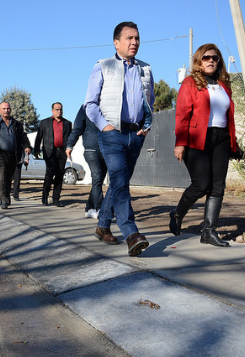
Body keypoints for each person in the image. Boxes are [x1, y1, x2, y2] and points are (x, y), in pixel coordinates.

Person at [84, 21, 154, 257]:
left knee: (118, 183)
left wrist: (146, 125)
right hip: (111, 134)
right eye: (129, 38)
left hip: (135, 135)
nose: (134, 42)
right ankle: (131, 233)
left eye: (137, 38)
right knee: (121, 183)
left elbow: (149, 102)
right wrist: (105, 126)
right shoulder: (103, 66)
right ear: (116, 42)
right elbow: (90, 104)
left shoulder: (145, 69)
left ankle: (103, 225)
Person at [170, 43, 242, 247]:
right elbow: (182, 115)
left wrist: (232, 143)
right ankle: (177, 214)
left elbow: (229, 118)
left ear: (219, 62)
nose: (211, 60)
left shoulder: (224, 86)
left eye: (215, 57)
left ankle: (208, 232)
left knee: (218, 186)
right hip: (196, 138)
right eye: (206, 57)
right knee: (202, 184)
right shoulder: (190, 83)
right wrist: (180, 143)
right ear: (199, 62)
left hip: (221, 139)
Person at [0, 102, 31, 209]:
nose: (6, 110)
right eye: (4, 108)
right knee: (1, 177)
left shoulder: (16, 124)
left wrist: (27, 146)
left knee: (8, 178)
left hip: (13, 155)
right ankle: (5, 200)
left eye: (8, 108)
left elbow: (24, 137)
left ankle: (1, 197)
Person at [66, 105, 107, 219]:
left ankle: (89, 208)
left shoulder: (109, 104)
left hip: (107, 149)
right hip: (91, 149)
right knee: (97, 177)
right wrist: (70, 145)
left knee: (98, 180)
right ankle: (100, 209)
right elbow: (77, 128)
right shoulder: (86, 107)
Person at [34, 102, 72, 207]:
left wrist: (70, 148)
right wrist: (36, 150)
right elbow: (39, 137)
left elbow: (71, 138)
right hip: (50, 152)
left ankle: (56, 199)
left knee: (60, 175)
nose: (59, 111)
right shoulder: (44, 123)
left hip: (62, 152)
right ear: (52, 111)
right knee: (49, 174)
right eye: (57, 109)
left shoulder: (67, 123)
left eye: (61, 109)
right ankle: (45, 197)